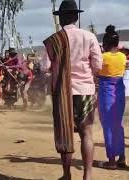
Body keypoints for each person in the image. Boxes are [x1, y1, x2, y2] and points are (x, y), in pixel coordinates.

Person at [43, 1, 103, 179]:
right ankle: (88, 174)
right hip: (85, 89)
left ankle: (67, 174)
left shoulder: (54, 40)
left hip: (62, 91)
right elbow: (98, 65)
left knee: (65, 132)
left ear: (60, 19)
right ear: (76, 17)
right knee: (86, 133)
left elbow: (44, 66)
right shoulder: (89, 36)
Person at [98, 25, 127, 169]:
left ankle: (111, 161)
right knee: (118, 125)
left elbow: (94, 70)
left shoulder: (102, 57)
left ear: (105, 44)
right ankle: (122, 157)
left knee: (108, 126)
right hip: (120, 93)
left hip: (106, 94)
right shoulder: (122, 57)